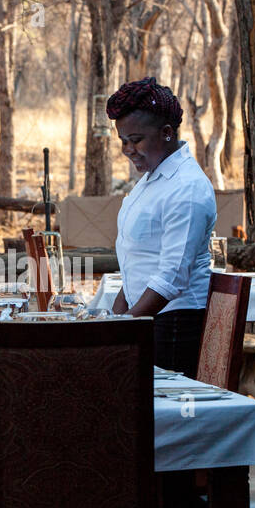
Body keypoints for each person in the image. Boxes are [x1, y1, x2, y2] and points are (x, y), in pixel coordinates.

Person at [107, 77, 217, 378]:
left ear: (167, 133)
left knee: (159, 420)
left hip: (173, 327)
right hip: (146, 319)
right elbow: (139, 263)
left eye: (136, 140)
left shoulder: (187, 189)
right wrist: (113, 318)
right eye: (123, 141)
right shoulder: (152, 179)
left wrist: (126, 327)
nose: (128, 150)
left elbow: (171, 277)